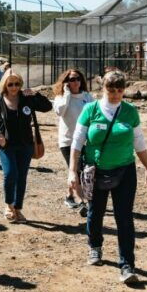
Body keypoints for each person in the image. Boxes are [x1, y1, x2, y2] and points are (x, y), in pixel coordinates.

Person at [68, 70, 147, 285]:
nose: (115, 94)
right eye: (110, 89)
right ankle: (95, 247)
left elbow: (139, 141)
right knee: (95, 212)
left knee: (124, 218)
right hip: (96, 171)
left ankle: (127, 265)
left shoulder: (130, 111)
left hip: (125, 170)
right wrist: (72, 171)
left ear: (124, 90)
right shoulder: (90, 110)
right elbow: (77, 142)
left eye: (119, 90)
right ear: (103, 88)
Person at [0, 69, 52, 223]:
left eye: (17, 84)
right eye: (10, 84)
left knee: (21, 177)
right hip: (6, 145)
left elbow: (48, 107)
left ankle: (18, 209)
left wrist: (35, 94)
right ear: (5, 85)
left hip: (26, 145)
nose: (14, 87)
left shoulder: (26, 98)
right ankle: (9, 205)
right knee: (10, 173)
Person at [53, 69, 94, 214]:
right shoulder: (61, 98)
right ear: (66, 82)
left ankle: (70, 196)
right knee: (77, 170)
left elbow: (94, 116)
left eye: (77, 79)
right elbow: (60, 111)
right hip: (68, 141)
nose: (75, 82)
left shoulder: (87, 97)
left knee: (80, 170)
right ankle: (84, 202)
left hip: (85, 141)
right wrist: (67, 94)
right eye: (71, 79)